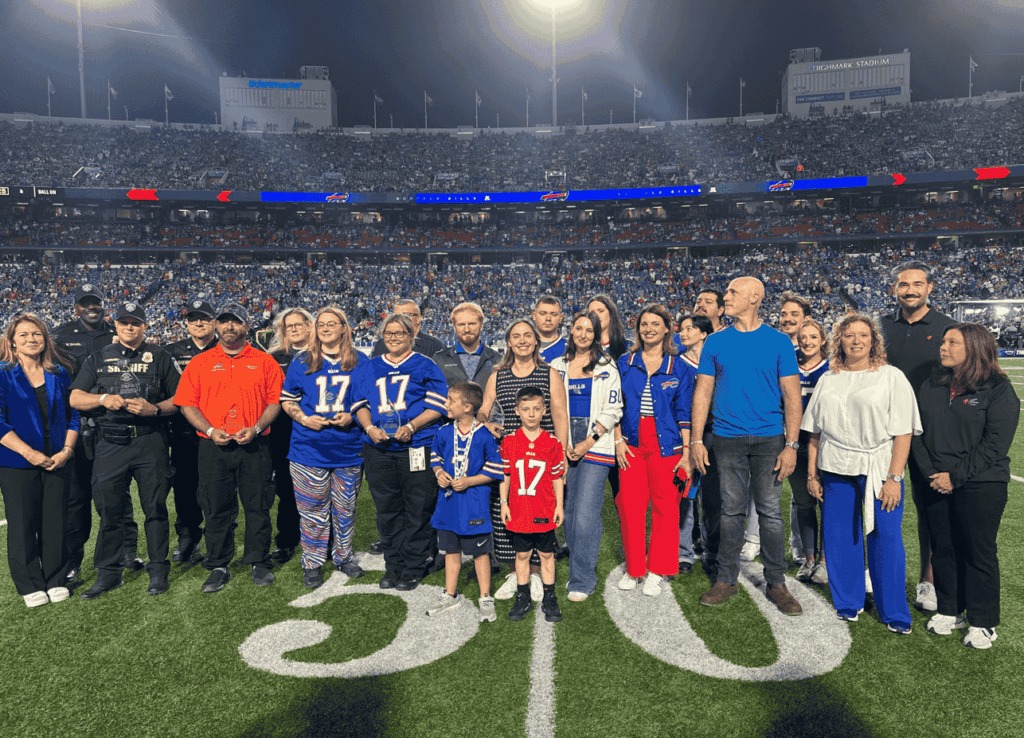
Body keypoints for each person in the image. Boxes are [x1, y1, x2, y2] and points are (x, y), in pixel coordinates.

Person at [691, 277, 803, 616]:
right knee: (730, 511)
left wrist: (792, 444)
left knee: (770, 513)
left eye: (732, 292)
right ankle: (726, 577)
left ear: (754, 298)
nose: (725, 297)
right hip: (727, 438)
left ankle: (776, 581)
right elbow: (703, 393)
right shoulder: (715, 342)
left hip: (770, 438)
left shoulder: (779, 342)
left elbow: (792, 396)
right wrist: (696, 440)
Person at [803, 314, 921, 634]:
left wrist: (894, 478)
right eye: (849, 335)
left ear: (873, 340)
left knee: (886, 538)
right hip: (836, 468)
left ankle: (894, 609)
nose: (856, 340)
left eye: (863, 335)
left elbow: (903, 433)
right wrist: (812, 475)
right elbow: (814, 433)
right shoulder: (829, 378)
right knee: (842, 538)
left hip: (879, 469)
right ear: (838, 340)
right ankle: (847, 601)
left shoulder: (890, 376)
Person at [913, 324, 1020, 649]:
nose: (943, 347)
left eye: (952, 342)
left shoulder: (999, 389)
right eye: (944, 341)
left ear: (974, 347)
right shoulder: (932, 383)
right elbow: (915, 430)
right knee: (942, 548)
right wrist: (932, 473)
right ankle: (950, 609)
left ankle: (983, 621)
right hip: (935, 480)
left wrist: (954, 477)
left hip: (981, 484)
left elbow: (994, 446)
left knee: (978, 552)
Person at [70, 302, 180, 599]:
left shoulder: (161, 357)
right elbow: (76, 398)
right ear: (114, 326)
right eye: (124, 323)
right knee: (109, 510)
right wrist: (103, 398)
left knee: (155, 508)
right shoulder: (98, 357)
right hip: (110, 442)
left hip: (150, 439)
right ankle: (109, 572)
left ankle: (158, 569)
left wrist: (155, 408)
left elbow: (181, 399)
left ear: (145, 327)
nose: (129, 327)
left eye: (135, 323)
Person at [173, 302, 284, 594]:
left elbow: (275, 402)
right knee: (215, 506)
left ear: (247, 327)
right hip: (213, 446)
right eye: (224, 322)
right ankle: (218, 563)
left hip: (255, 443)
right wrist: (209, 429)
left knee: (258, 505)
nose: (229, 327)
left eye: (235, 322)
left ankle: (258, 560)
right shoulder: (200, 363)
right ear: (217, 326)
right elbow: (186, 403)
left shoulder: (265, 361)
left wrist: (257, 428)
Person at [880, 260, 956, 612]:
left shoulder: (948, 328)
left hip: (929, 433)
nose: (909, 290)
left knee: (930, 509)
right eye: (902, 284)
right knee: (876, 501)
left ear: (930, 288)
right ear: (894, 288)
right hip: (882, 431)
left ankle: (928, 579)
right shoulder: (879, 327)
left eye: (916, 284)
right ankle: (873, 569)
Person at [353, 312, 448, 592]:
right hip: (379, 448)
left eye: (400, 333)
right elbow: (359, 405)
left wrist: (413, 426)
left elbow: (439, 406)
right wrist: (370, 429)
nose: (394, 338)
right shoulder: (369, 367)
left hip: (417, 445)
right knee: (387, 508)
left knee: (417, 507)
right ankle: (393, 564)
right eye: (389, 333)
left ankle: (414, 565)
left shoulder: (425, 365)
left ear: (411, 337)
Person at [478, 319, 569, 601]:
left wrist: (562, 455)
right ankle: (518, 573)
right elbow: (483, 411)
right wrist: (488, 423)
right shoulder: (497, 376)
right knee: (509, 514)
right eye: (516, 336)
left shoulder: (549, 373)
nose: (522, 340)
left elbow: (559, 416)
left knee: (540, 512)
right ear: (508, 342)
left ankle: (537, 573)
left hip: (543, 455)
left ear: (536, 340)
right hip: (512, 454)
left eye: (527, 335)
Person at [280, 306, 368, 589]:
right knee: (312, 510)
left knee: (345, 508)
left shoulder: (361, 361)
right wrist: (304, 418)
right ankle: (313, 562)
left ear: (345, 328)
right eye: (321, 324)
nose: (326, 328)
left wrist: (352, 416)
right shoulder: (302, 361)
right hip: (308, 449)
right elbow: (287, 400)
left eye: (333, 323)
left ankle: (343, 557)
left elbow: (371, 403)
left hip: (348, 448)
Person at [52, 283, 133, 583]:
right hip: (74, 423)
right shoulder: (59, 335)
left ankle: (127, 551)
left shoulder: (118, 331)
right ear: (76, 308)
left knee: (116, 492)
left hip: (111, 422)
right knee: (76, 498)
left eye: (95, 302)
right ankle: (74, 559)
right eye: (85, 303)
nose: (91, 307)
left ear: (103, 304)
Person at [0, 314, 79, 607]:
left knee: (55, 521)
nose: (31, 339)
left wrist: (67, 451)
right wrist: (29, 453)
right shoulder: (3, 373)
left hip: (57, 459)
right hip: (16, 463)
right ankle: (29, 583)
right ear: (12, 342)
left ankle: (55, 578)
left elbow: (74, 415)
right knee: (22, 523)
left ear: (45, 340)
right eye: (23, 335)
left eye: (37, 334)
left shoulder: (58, 372)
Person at [614, 305, 692, 596]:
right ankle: (635, 569)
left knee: (666, 508)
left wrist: (685, 452)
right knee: (631, 506)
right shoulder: (625, 362)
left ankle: (658, 570)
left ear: (667, 329)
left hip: (667, 446)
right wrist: (618, 440)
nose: (648, 329)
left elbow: (683, 412)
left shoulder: (679, 367)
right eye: (644, 324)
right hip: (631, 445)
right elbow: (615, 405)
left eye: (655, 324)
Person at [550, 311, 622, 600]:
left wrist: (588, 441)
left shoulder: (607, 365)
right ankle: (577, 566)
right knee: (567, 515)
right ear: (571, 332)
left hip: (595, 445)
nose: (582, 334)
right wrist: (563, 444)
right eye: (578, 328)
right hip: (564, 446)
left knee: (585, 515)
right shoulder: (557, 365)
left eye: (588, 330)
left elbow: (614, 408)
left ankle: (582, 579)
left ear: (596, 335)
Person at [426, 381, 504, 622]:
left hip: (473, 504)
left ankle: (485, 596)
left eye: (450, 400)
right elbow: (435, 457)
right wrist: (439, 473)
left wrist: (469, 481)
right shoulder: (443, 431)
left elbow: (495, 469)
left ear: (468, 407)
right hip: (449, 502)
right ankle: (450, 594)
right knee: (451, 548)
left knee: (480, 553)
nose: (446, 404)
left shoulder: (484, 435)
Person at [741, 291, 810, 563]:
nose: (788, 319)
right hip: (769, 426)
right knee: (762, 484)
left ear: (806, 320)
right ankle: (753, 539)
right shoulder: (769, 344)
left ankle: (797, 544)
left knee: (799, 490)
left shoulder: (811, 353)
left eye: (795, 314)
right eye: (784, 314)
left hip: (803, 432)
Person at [500, 386, 566, 623]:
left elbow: (558, 477)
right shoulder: (509, 442)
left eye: (536, 409)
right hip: (519, 509)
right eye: (526, 409)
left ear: (544, 411)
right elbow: (505, 476)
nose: (531, 414)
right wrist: (504, 503)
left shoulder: (552, 442)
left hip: (544, 509)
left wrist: (559, 506)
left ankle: (550, 597)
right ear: (517, 411)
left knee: (547, 555)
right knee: (522, 554)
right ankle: (523, 596)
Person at [163, 298, 217, 563]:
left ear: (215, 322)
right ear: (186, 323)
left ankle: (219, 537)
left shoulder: (227, 347)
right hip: (183, 432)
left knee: (218, 487)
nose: (199, 323)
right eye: (193, 318)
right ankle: (188, 537)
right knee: (185, 487)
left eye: (205, 318)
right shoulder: (170, 351)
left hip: (220, 430)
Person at [267, 307, 315, 565]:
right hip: (283, 431)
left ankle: (322, 538)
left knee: (320, 489)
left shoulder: (325, 353)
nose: (294, 329)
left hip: (317, 430)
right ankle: (286, 540)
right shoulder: (274, 357)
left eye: (299, 324)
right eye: (289, 326)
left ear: (310, 325)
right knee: (286, 489)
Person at [792, 319, 830, 585]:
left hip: (824, 445)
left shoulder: (831, 369)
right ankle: (809, 559)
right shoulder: (789, 366)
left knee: (826, 503)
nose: (807, 342)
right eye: (803, 337)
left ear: (823, 340)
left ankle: (826, 562)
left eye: (813, 337)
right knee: (803, 504)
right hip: (795, 442)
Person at [675, 313, 713, 576]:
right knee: (686, 493)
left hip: (715, 431)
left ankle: (711, 547)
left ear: (704, 333)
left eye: (690, 328)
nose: (684, 333)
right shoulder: (679, 362)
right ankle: (684, 551)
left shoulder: (716, 360)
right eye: (682, 329)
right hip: (686, 434)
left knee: (712, 493)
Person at [432, 302, 502, 388]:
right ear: (454, 327)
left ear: (481, 325)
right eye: (461, 324)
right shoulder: (439, 359)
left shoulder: (499, 360)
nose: (467, 329)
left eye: (472, 324)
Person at [370, 299, 445, 358]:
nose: (399, 319)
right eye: (396, 315)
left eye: (405, 315)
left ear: (418, 318)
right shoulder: (382, 344)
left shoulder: (435, 346)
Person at [586, 294, 628, 361]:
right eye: (592, 313)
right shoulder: (582, 350)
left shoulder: (629, 348)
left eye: (601, 311)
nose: (596, 315)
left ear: (611, 314)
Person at [533, 296, 566, 364]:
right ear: (534, 316)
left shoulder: (570, 348)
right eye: (543, 314)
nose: (548, 318)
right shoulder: (522, 345)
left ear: (561, 318)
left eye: (553, 314)